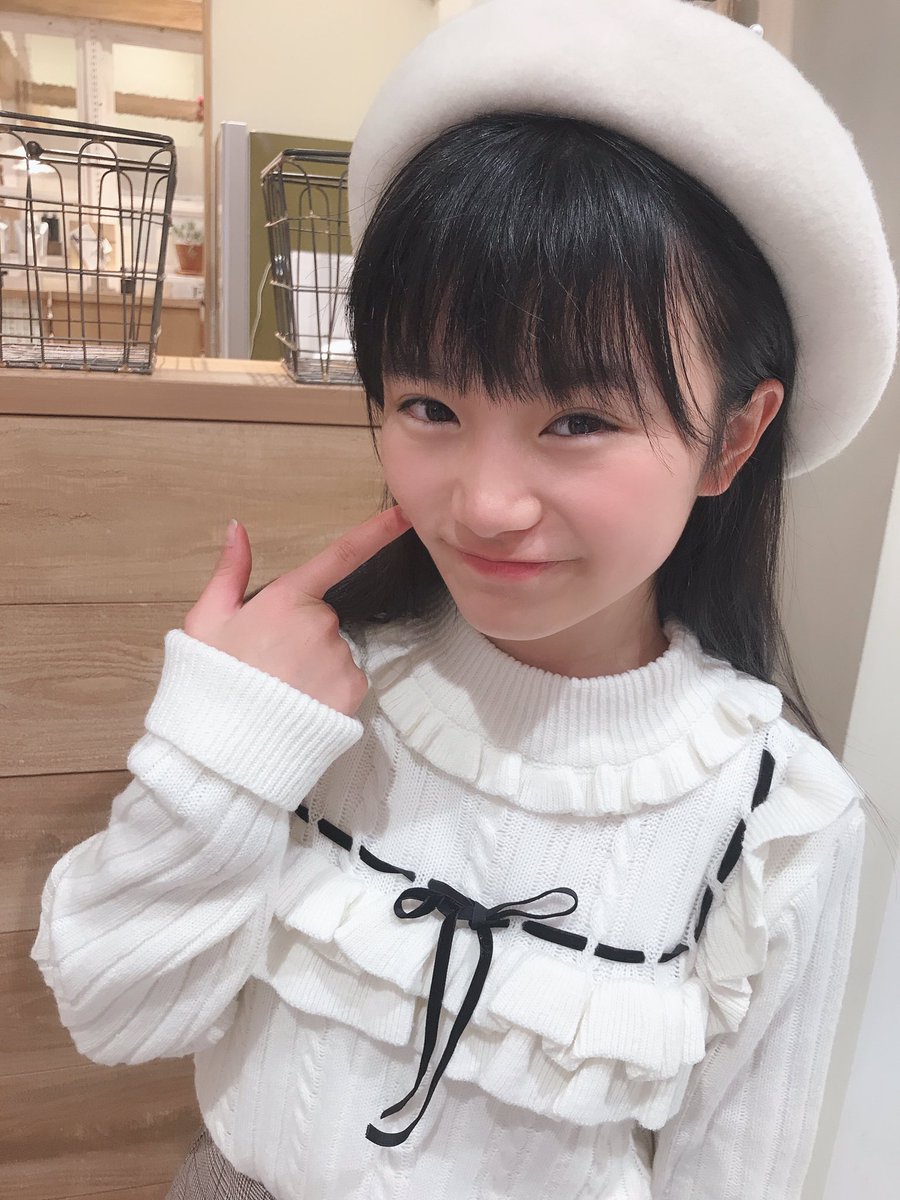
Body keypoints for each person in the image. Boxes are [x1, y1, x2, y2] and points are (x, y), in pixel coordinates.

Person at [31, 1, 897, 1198]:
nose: (485, 505)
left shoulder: (777, 821)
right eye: (430, 406)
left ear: (733, 438)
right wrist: (220, 749)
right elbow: (115, 1013)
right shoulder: (311, 694)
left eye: (579, 420)